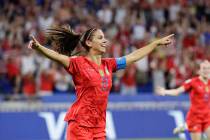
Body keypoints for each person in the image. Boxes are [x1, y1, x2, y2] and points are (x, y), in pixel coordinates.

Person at [28, 25, 173, 140]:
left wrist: (155, 44)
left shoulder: (109, 65)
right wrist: (39, 47)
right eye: (100, 37)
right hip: (80, 125)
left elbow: (133, 56)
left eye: (104, 37)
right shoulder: (78, 63)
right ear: (89, 42)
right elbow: (58, 57)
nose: (105, 40)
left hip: (99, 127)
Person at [156, 60, 210, 140]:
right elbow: (177, 91)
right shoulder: (192, 82)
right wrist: (165, 91)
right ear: (199, 70)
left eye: (208, 68)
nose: (206, 71)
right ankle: (186, 125)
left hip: (207, 117)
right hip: (195, 118)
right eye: (204, 68)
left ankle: (185, 126)